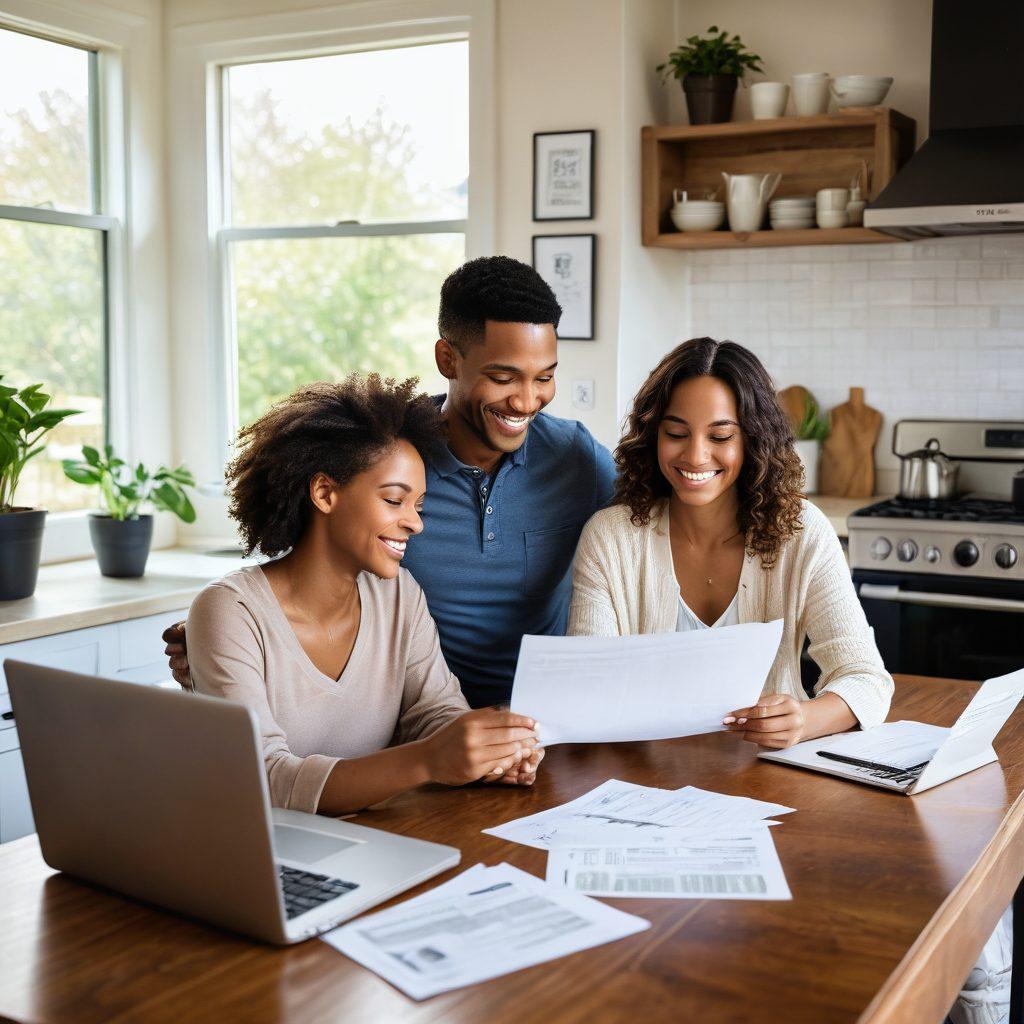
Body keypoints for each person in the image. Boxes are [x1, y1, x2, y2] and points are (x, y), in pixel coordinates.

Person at [167, 256, 616, 708]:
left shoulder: (576, 460)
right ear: (448, 359)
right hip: (414, 720)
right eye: (502, 377)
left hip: (549, 719)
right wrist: (233, 640)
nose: (525, 399)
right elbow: (315, 569)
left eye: (545, 377)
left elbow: (656, 533)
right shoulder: (391, 456)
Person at [185, 375, 542, 817]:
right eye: (395, 501)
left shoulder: (399, 595)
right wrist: (429, 760)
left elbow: (433, 711)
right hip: (260, 856)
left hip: (378, 842)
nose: (416, 523)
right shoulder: (231, 612)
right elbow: (265, 779)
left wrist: (487, 752)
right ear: (325, 493)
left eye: (420, 506)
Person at [568, 336, 894, 743]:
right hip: (641, 780)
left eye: (720, 437)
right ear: (653, 435)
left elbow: (866, 680)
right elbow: (588, 690)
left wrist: (805, 720)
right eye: (676, 433)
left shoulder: (801, 530)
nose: (696, 456)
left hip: (770, 779)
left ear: (753, 440)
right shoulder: (611, 537)